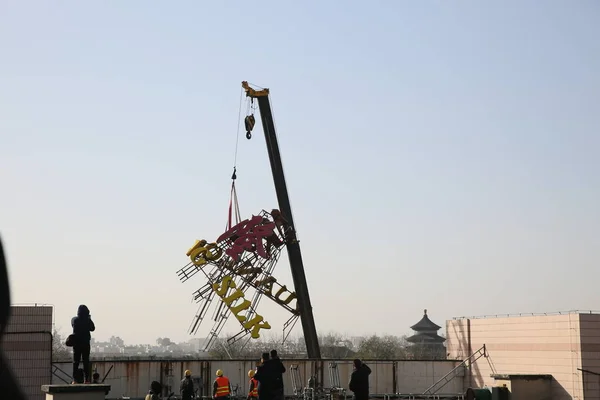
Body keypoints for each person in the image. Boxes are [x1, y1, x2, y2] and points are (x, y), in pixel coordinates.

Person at [71, 304, 95, 383]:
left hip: (77, 344)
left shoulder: (75, 320)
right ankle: (86, 379)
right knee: (86, 362)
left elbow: (73, 329)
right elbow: (92, 328)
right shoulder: (87, 320)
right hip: (85, 344)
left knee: (76, 362)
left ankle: (74, 380)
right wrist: (89, 319)